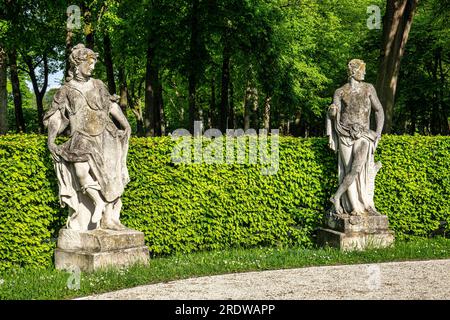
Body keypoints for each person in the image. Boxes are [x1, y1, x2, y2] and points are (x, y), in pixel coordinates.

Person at [44, 43, 131, 231]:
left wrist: (125, 124)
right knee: (81, 172)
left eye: (94, 63)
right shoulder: (66, 90)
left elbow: (112, 106)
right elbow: (56, 117)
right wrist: (51, 139)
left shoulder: (99, 85)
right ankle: (97, 202)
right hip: (81, 138)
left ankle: (109, 218)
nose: (92, 67)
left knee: (110, 178)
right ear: (78, 64)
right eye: (89, 63)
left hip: (105, 135)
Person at [326, 59, 384, 216]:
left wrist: (378, 132)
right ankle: (354, 207)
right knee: (347, 169)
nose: (364, 72)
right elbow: (334, 111)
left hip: (364, 135)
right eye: (362, 69)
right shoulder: (340, 91)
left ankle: (338, 196)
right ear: (353, 71)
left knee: (356, 168)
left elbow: (379, 110)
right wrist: (332, 112)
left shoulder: (368, 88)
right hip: (344, 133)